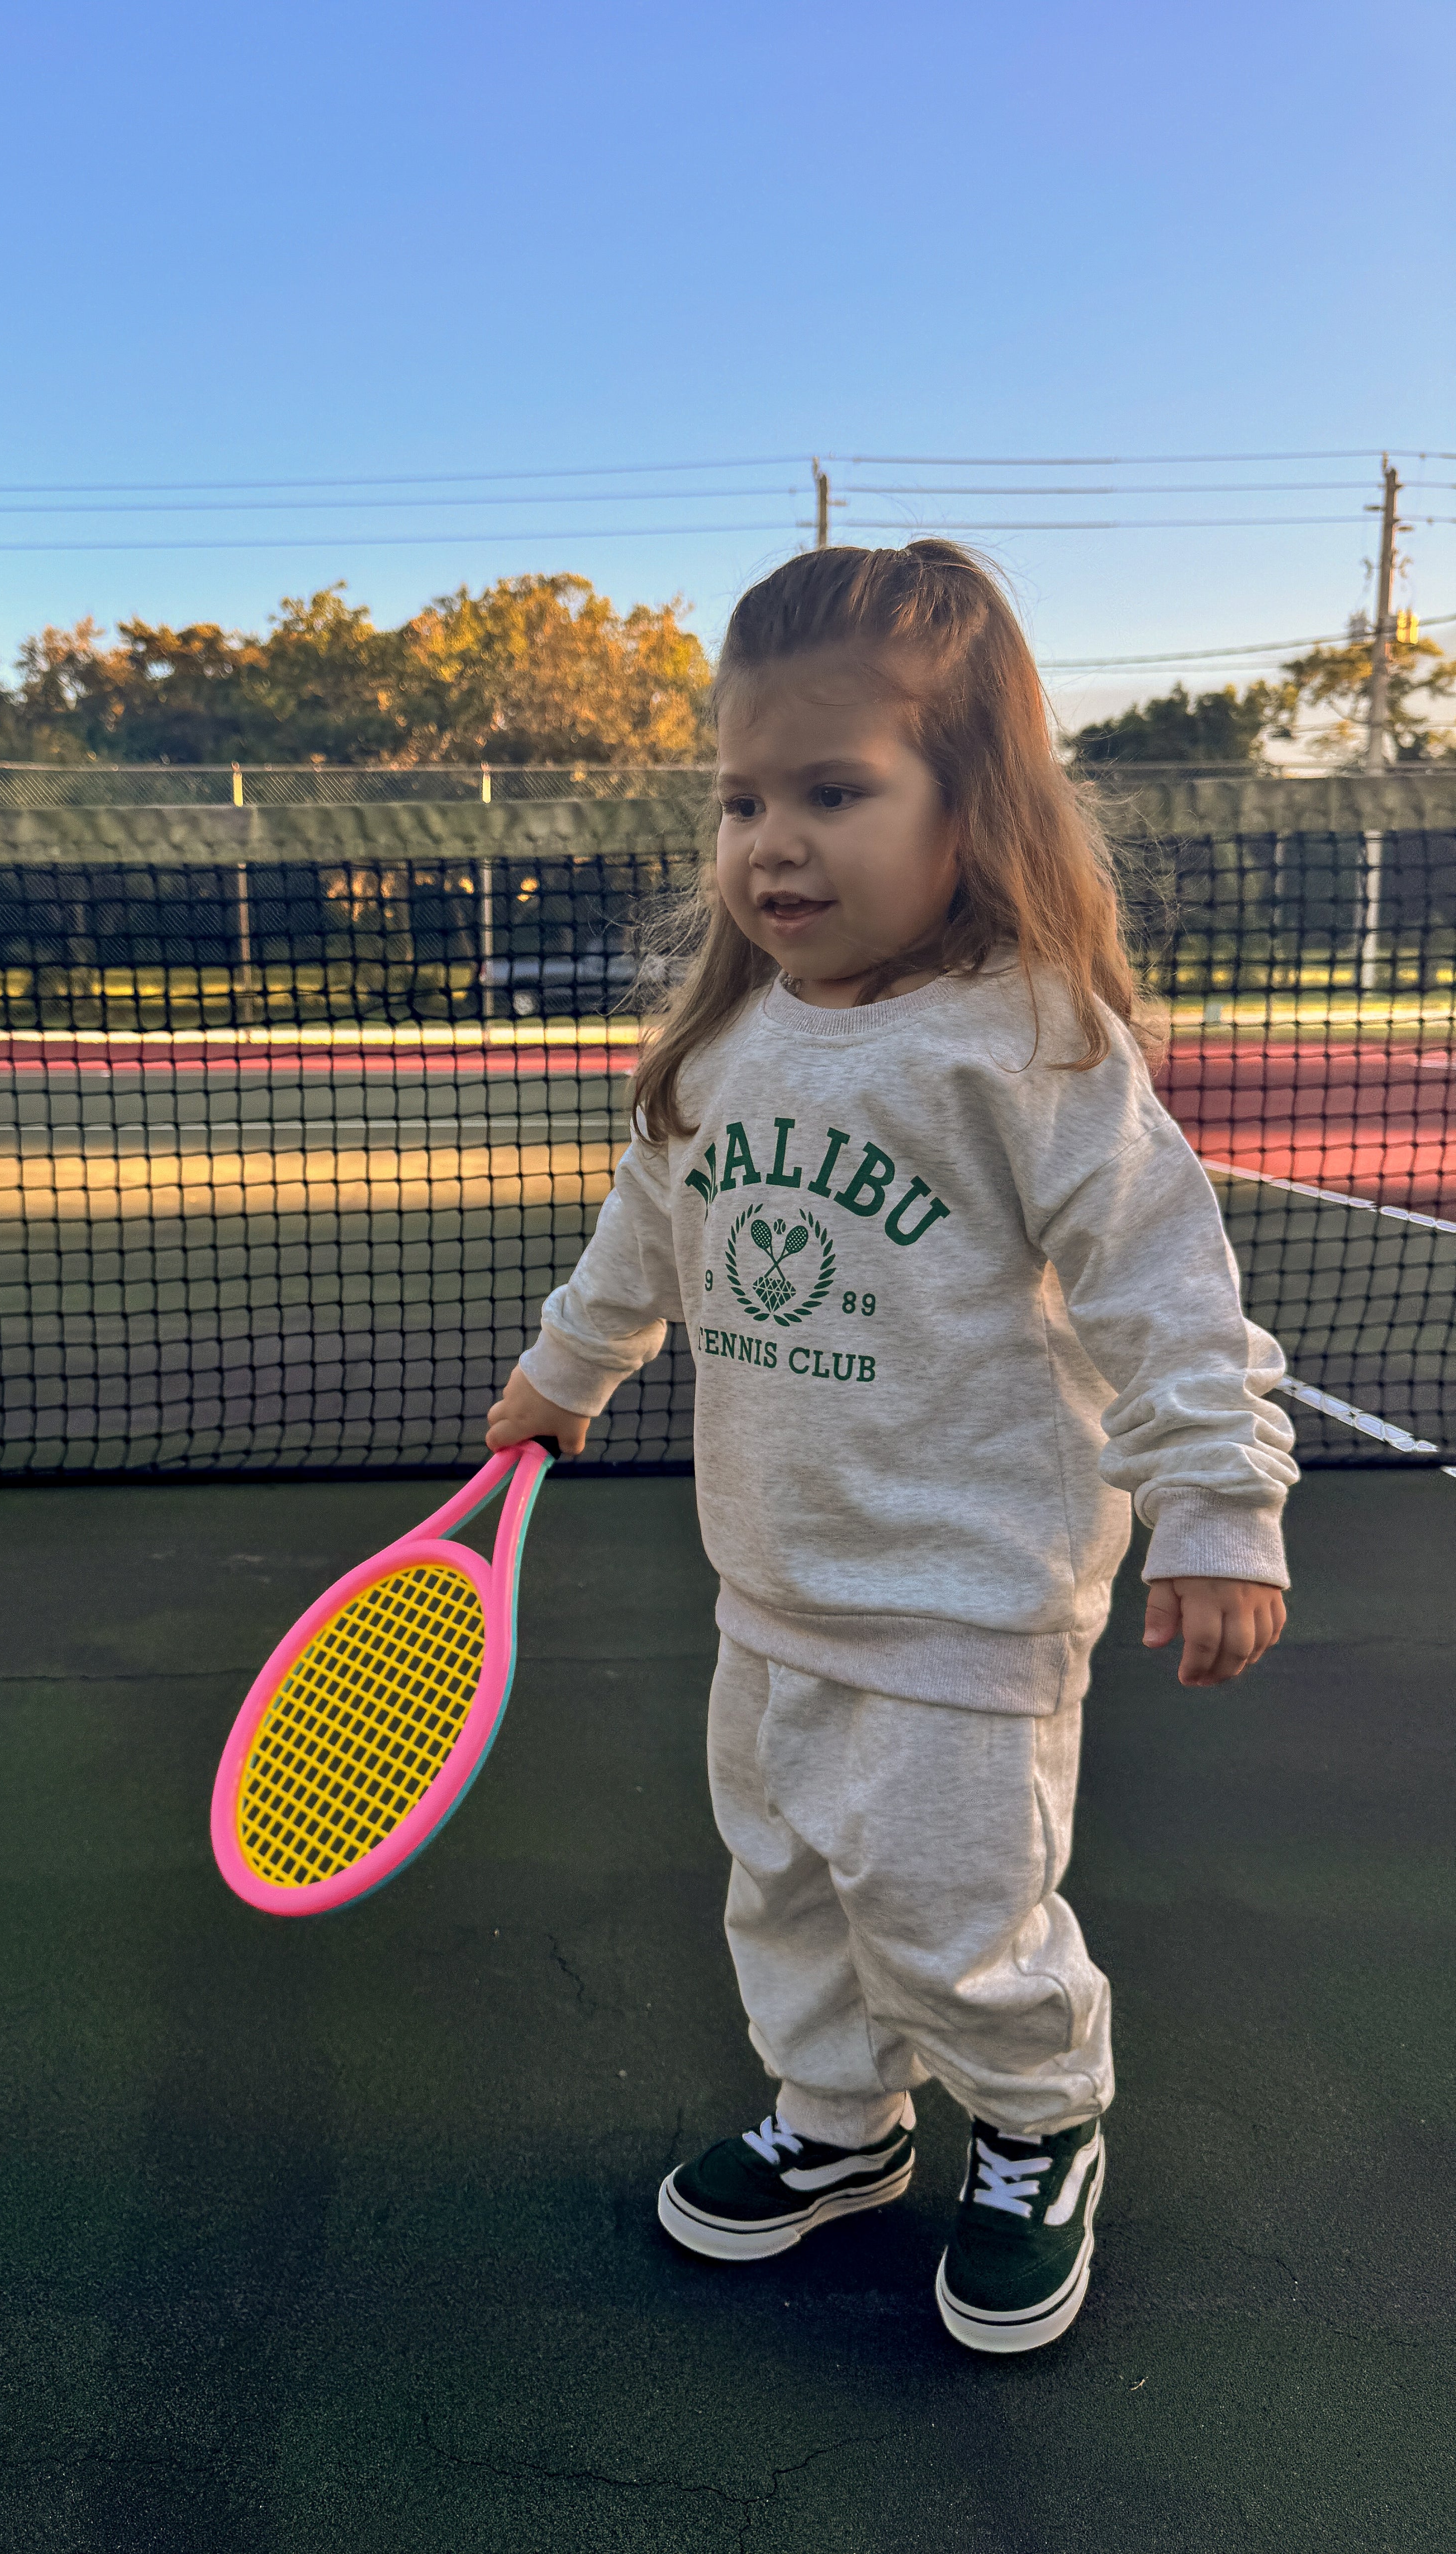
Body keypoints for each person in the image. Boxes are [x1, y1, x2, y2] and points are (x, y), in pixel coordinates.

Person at [484, 541, 1295, 2355]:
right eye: (742, 798)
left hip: (965, 1600)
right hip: (769, 1587)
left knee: (950, 1911)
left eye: (835, 792)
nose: (773, 841)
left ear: (970, 804)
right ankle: (843, 2127)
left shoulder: (1033, 1046)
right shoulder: (724, 1048)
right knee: (782, 1890)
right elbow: (647, 1239)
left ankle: (1038, 2118)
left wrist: (1218, 1506)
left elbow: (1167, 1293)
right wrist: (567, 1370)